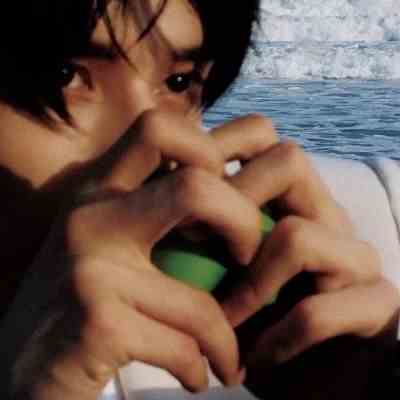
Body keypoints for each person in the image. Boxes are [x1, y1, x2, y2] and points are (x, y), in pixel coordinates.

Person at [0, 1, 398, 399]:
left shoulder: (368, 236)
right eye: (64, 76)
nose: (154, 142)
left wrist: (367, 384)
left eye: (178, 82)